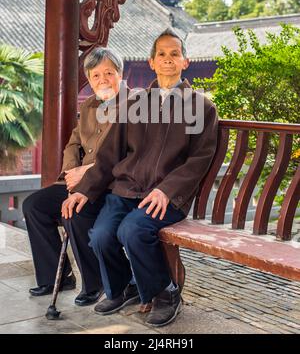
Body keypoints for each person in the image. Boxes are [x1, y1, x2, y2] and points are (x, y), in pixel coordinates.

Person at [63, 28, 219, 326]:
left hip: (167, 194)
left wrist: (167, 190)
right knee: (101, 236)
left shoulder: (200, 106)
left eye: (175, 54)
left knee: (132, 231)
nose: (168, 60)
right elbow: (109, 155)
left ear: (186, 61)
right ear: (151, 62)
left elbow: (199, 159)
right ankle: (125, 287)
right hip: (126, 189)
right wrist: (85, 189)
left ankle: (165, 292)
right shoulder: (135, 104)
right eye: (161, 54)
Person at [22, 47, 124, 306]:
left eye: (109, 73)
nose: (102, 80)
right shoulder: (90, 105)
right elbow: (73, 144)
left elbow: (128, 155)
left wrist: (86, 173)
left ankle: (96, 283)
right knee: (34, 206)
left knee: (75, 212)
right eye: (96, 75)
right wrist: (70, 173)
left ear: (120, 75)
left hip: (109, 185)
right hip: (78, 180)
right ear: (89, 79)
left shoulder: (133, 106)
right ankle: (57, 276)